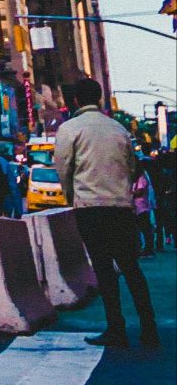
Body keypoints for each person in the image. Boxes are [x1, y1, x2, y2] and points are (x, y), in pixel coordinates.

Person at [56, 77, 159, 349]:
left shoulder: (70, 129)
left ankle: (117, 329)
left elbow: (64, 168)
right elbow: (131, 167)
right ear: (99, 98)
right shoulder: (119, 129)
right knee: (132, 268)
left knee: (104, 270)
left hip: (90, 208)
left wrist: (72, 197)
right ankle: (149, 329)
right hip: (120, 208)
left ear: (76, 100)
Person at [134, 161, 157, 258]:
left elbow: (140, 191)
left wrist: (129, 193)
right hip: (136, 207)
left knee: (145, 229)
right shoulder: (137, 178)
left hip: (141, 207)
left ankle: (148, 249)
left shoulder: (141, 178)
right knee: (140, 229)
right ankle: (143, 248)